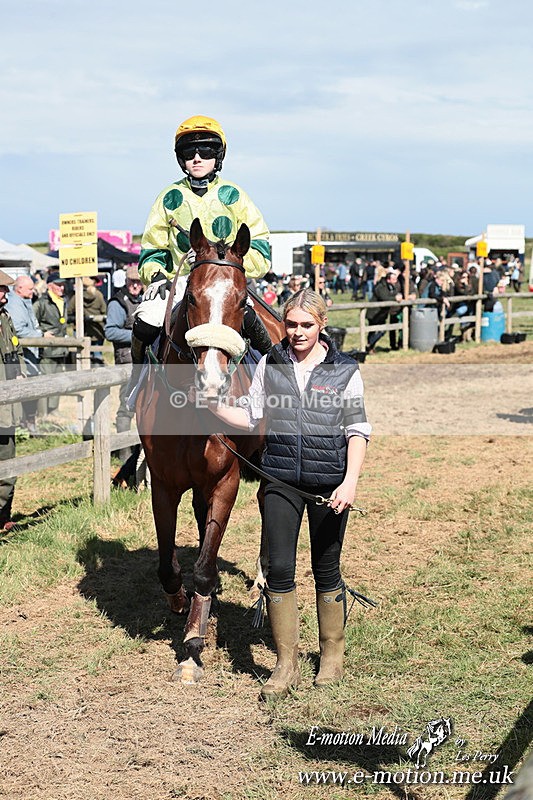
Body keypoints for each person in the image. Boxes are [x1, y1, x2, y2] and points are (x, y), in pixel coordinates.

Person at [204, 289, 371, 699]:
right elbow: (251, 413)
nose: (297, 332)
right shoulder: (270, 362)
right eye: (292, 324)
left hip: (328, 483)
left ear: (322, 325)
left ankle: (332, 653)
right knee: (278, 569)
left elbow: (357, 431)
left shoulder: (345, 370)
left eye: (306, 325)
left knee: (325, 566)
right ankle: (286, 663)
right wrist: (214, 408)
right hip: (279, 479)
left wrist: (348, 482)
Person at [131, 115, 272, 366]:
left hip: (225, 283)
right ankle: (137, 381)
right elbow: (152, 249)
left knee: (259, 328)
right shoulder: (168, 197)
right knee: (145, 322)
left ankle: (274, 379)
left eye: (206, 150)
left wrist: (224, 263)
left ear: (218, 156)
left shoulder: (235, 195)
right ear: (180, 157)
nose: (197, 157)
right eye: (189, 151)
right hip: (178, 283)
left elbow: (260, 248)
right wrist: (157, 276)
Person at [104, 266, 144, 460]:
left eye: (138, 281)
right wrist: (138, 335)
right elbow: (110, 331)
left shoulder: (145, 299)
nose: (135, 285)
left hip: (144, 361)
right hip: (127, 361)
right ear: (126, 282)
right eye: (132, 281)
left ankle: (138, 451)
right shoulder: (118, 303)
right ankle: (123, 454)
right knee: (126, 407)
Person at [0, 270, 26, 531]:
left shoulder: (5, 319)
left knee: (8, 460)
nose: (5, 294)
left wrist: (19, 373)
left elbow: (15, 350)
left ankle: (3, 515)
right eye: (1, 289)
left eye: (6, 290)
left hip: (7, 405)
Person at [5, 275, 42, 432]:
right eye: (30, 289)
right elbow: (18, 329)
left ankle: (27, 422)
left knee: (31, 387)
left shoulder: (23, 302)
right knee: (25, 387)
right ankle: (23, 423)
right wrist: (40, 335)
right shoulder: (14, 304)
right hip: (23, 353)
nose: (33, 292)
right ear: (19, 288)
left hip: (28, 353)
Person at [33, 272, 69, 417]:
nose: (62, 288)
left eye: (63, 285)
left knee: (58, 381)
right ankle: (42, 413)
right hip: (47, 350)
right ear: (50, 286)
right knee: (45, 382)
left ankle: (54, 409)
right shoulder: (41, 303)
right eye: (58, 285)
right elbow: (32, 323)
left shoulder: (63, 301)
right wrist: (42, 334)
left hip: (61, 349)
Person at [67, 276, 107, 365]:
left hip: (82, 331)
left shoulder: (77, 296)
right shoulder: (98, 295)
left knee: (82, 356)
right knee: (97, 354)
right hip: (97, 330)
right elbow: (104, 311)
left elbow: (69, 310)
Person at [365, 268, 403, 353]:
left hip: (382, 313)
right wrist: (395, 298)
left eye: (396, 279)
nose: (395, 281)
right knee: (374, 330)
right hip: (374, 312)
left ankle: (369, 346)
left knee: (381, 330)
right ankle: (369, 346)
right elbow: (384, 297)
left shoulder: (391, 286)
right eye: (393, 279)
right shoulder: (380, 286)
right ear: (388, 280)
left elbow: (395, 293)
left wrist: (399, 296)